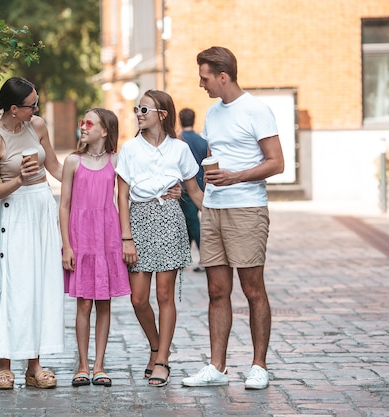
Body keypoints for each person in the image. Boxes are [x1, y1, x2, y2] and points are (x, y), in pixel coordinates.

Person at [181, 46, 284, 390]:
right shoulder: (213, 113)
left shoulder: (256, 109)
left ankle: (259, 365)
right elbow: (214, 158)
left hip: (246, 208)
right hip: (214, 208)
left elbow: (276, 162)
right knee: (216, 290)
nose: (201, 84)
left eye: (205, 77)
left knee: (252, 289)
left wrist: (235, 176)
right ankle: (217, 366)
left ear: (222, 76)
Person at [116, 90, 204, 387]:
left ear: (162, 115)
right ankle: (156, 346)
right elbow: (122, 196)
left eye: (144, 109)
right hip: (138, 223)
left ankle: (163, 359)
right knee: (138, 299)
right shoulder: (129, 149)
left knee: (164, 295)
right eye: (137, 109)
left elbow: (194, 193)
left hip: (169, 220)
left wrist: (223, 211)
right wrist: (126, 237)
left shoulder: (179, 149)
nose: (138, 113)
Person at [0, 76, 64, 390]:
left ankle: (34, 365)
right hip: (14, 210)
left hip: (42, 207)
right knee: (16, 285)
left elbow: (55, 166)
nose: (37, 109)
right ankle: (4, 363)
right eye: (32, 105)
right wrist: (19, 180)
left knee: (41, 284)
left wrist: (85, 181)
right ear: (14, 108)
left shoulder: (38, 126)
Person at [59, 108, 131, 388]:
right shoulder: (73, 162)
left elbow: (128, 195)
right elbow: (64, 206)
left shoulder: (117, 161)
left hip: (107, 237)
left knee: (104, 301)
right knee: (83, 302)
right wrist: (66, 245)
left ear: (104, 131)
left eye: (90, 123)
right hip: (81, 237)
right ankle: (82, 364)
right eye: (82, 122)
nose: (83, 126)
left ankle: (99, 365)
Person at [178, 108, 208, 273]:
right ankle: (184, 257)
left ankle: (205, 258)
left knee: (192, 222)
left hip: (184, 188)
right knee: (191, 221)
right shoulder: (202, 140)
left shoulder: (178, 140)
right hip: (200, 185)